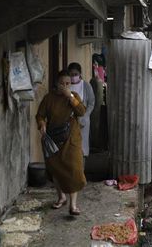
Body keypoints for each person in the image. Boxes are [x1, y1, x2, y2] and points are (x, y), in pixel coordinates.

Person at [36, 70, 86, 214]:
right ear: (56, 84)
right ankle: (61, 197)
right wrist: (42, 124)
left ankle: (73, 205)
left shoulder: (73, 96)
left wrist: (70, 97)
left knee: (75, 169)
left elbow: (81, 111)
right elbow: (40, 115)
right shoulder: (49, 98)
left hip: (71, 139)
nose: (65, 86)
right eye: (62, 83)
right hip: (54, 139)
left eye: (68, 84)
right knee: (56, 169)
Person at [67, 62, 96, 159]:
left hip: (83, 120)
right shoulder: (67, 85)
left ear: (80, 74)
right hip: (69, 120)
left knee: (82, 149)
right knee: (70, 147)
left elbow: (91, 103)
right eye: (71, 74)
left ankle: (81, 170)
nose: (73, 77)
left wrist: (86, 116)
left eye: (76, 74)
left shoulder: (86, 86)